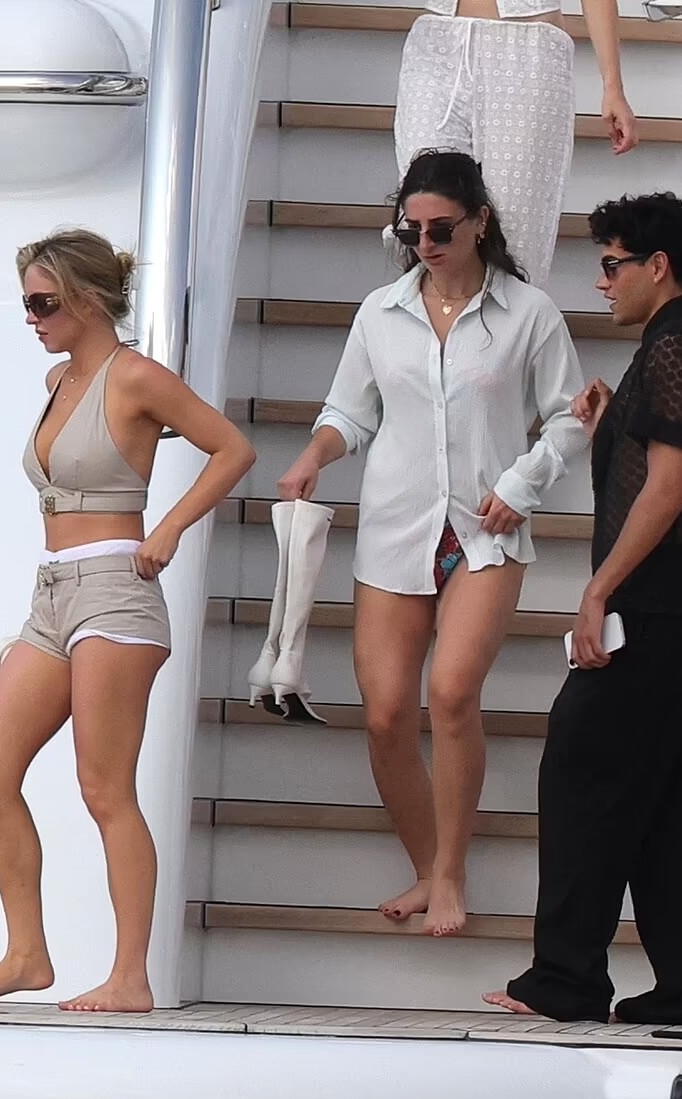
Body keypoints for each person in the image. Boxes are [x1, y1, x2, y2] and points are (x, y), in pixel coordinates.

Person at [278, 150, 588, 936]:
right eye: (410, 229)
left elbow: (571, 416)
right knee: (386, 713)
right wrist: (315, 456)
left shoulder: (529, 313)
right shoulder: (380, 313)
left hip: (485, 531)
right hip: (396, 526)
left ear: (479, 222)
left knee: (450, 693)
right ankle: (427, 863)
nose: (424, 243)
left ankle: (451, 874)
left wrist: (521, 485)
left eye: (440, 228)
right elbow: (349, 411)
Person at [0, 228, 255, 1012]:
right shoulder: (59, 378)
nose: (32, 318)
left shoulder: (137, 377)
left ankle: (130, 976)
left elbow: (232, 448)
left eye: (43, 302)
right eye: (28, 303)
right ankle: (27, 952)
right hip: (52, 591)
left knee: (104, 787)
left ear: (88, 299)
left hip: (117, 590)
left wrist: (171, 527)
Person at [484, 192, 682, 1024]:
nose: (602, 281)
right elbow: (669, 465)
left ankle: (566, 979)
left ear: (657, 266)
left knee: (583, 768)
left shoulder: (676, 350)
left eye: (611, 264)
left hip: (662, 602)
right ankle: (681, 991)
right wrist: (612, 421)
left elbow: (670, 488)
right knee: (677, 796)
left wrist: (598, 590)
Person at [391, 0, 639, 287]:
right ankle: (431, 314)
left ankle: (510, 316)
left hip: (528, 46)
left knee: (518, 232)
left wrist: (613, 87)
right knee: (424, 209)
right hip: (435, 44)